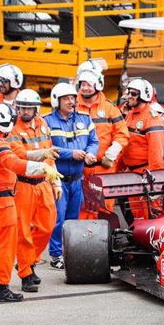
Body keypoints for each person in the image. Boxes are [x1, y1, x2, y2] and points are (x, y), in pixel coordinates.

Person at [0, 103, 62, 302]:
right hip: (3, 200)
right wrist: (42, 168)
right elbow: (15, 164)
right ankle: (1, 286)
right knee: (6, 243)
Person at [8, 89, 61, 292]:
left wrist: (55, 181)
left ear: (36, 108)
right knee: (23, 232)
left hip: (43, 183)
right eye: (22, 107)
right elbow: (19, 155)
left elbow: (50, 155)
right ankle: (26, 273)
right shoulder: (12, 128)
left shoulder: (43, 124)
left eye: (29, 107)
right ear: (17, 107)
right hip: (23, 184)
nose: (26, 111)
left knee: (47, 226)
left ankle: (28, 261)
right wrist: (42, 153)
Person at [44, 83, 99, 270]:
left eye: (72, 98)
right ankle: (56, 254)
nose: (71, 101)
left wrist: (91, 153)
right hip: (58, 180)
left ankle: (69, 252)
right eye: (66, 98)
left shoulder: (85, 119)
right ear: (56, 101)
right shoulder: (47, 122)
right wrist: (71, 154)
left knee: (73, 219)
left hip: (77, 179)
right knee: (58, 218)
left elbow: (93, 141)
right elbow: (47, 149)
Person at [76, 69, 129, 218]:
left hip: (103, 169)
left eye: (89, 84)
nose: (85, 88)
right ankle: (82, 241)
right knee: (81, 210)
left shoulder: (109, 109)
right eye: (83, 84)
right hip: (79, 169)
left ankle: (104, 240)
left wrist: (111, 154)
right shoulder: (72, 106)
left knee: (104, 210)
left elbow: (122, 134)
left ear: (98, 85)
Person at [116, 78, 164, 221]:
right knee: (134, 214)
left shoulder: (152, 119)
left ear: (144, 95)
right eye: (128, 93)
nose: (128, 96)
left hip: (145, 175)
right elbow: (126, 144)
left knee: (148, 215)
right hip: (131, 173)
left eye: (133, 93)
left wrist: (154, 183)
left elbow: (156, 156)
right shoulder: (131, 114)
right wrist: (116, 170)